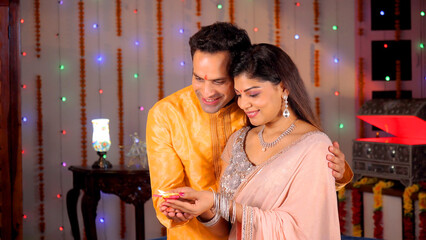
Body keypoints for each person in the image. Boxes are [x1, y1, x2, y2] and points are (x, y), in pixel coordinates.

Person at [146, 22, 352, 240]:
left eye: (219, 81)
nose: (206, 92)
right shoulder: (167, 114)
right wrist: (177, 208)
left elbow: (302, 189)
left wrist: (338, 172)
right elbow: (166, 192)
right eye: (198, 78)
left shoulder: (259, 112)